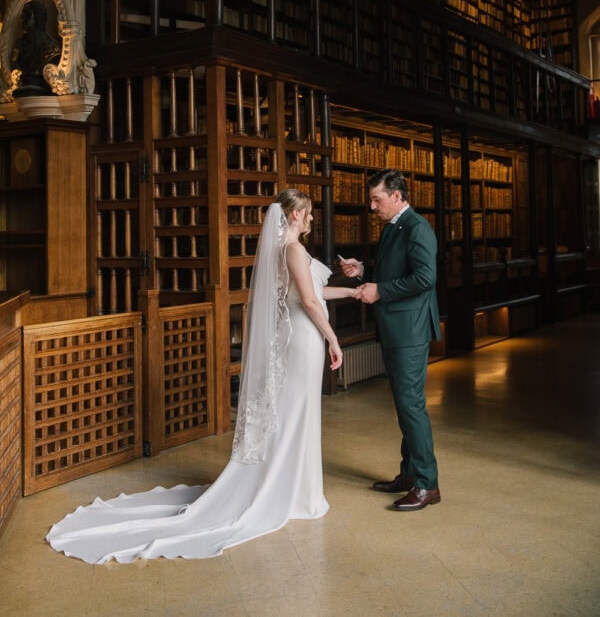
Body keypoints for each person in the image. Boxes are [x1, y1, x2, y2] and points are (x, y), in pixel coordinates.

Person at [46, 189, 358, 562]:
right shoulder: (291, 249)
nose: (310, 218)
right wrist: (333, 337)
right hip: (304, 336)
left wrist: (355, 293)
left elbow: (316, 292)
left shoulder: (285, 249)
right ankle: (291, 491)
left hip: (302, 335)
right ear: (294, 215)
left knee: (295, 414)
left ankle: (294, 488)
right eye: (307, 213)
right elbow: (308, 301)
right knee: (295, 415)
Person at [340, 168, 441, 512]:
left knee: (411, 405)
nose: (372, 206)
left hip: (410, 332)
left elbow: (425, 279)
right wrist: (364, 272)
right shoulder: (394, 227)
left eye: (376, 199)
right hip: (398, 329)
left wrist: (380, 290)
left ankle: (428, 485)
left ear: (397, 196)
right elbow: (397, 271)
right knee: (404, 405)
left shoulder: (417, 228)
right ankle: (410, 474)